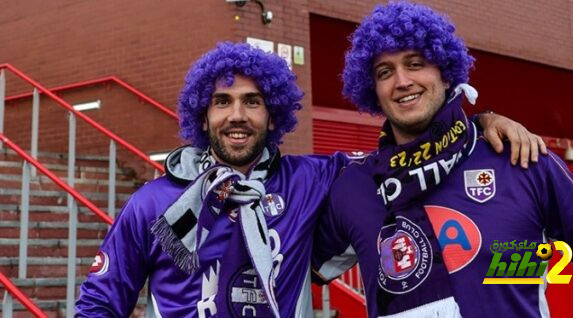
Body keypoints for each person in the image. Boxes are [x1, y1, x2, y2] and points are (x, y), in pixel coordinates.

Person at [75, 42, 544, 317]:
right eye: (223, 102)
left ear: (272, 113)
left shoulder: (313, 178)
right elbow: (99, 302)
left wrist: (479, 122)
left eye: (252, 101)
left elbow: (406, 155)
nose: (237, 115)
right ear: (202, 116)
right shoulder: (153, 203)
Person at [311, 2, 573, 318]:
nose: (402, 81)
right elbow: (281, 272)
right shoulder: (353, 187)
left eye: (415, 63)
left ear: (445, 72)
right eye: (385, 71)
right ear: (373, 89)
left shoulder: (520, 159)